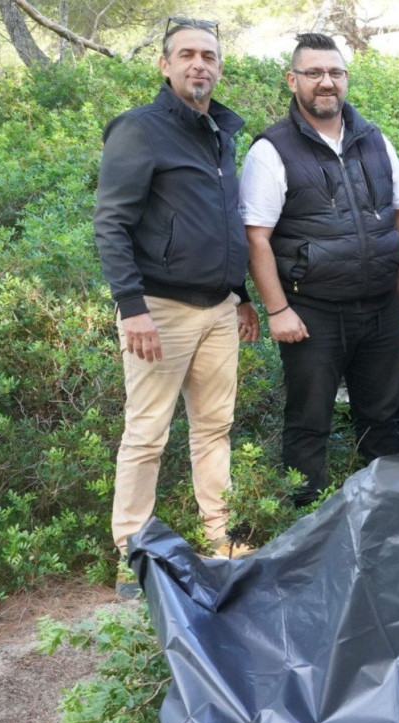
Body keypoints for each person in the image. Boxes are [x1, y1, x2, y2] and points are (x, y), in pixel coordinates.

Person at [95, 17, 258, 595]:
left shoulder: (221, 131)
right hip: (158, 309)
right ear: (164, 65)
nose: (199, 64)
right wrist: (130, 305)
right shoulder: (140, 130)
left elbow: (223, 221)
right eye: (186, 54)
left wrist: (241, 296)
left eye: (208, 56)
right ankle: (131, 553)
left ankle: (220, 536)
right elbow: (111, 222)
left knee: (215, 428)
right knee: (147, 434)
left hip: (218, 308)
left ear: (218, 66)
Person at [242, 33, 399, 507]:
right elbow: (255, 236)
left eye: (335, 73)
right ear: (293, 81)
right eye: (314, 73)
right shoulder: (272, 149)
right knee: (310, 418)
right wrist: (277, 309)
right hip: (313, 312)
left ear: (345, 79)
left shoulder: (373, 138)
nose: (326, 83)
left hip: (379, 305)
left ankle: (382, 507)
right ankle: (305, 515)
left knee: (383, 411)